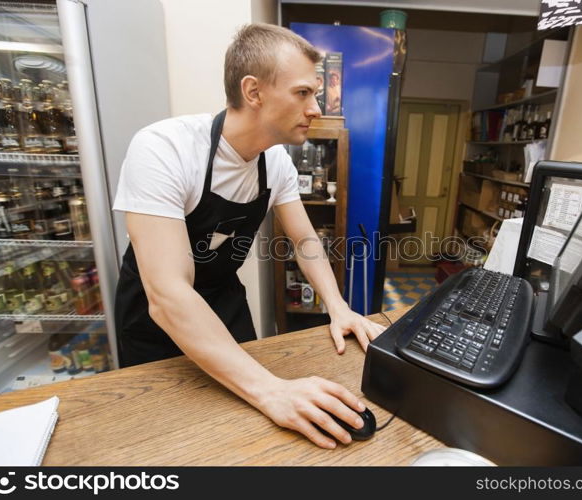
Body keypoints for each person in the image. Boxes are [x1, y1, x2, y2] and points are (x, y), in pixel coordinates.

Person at [112, 23, 386, 449]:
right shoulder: (164, 148)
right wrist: (272, 389)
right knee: (169, 440)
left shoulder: (274, 162)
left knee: (246, 434)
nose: (316, 108)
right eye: (302, 93)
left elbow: (305, 241)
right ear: (253, 92)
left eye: (315, 93)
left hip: (223, 301)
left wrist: (338, 307)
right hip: (155, 320)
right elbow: (167, 294)